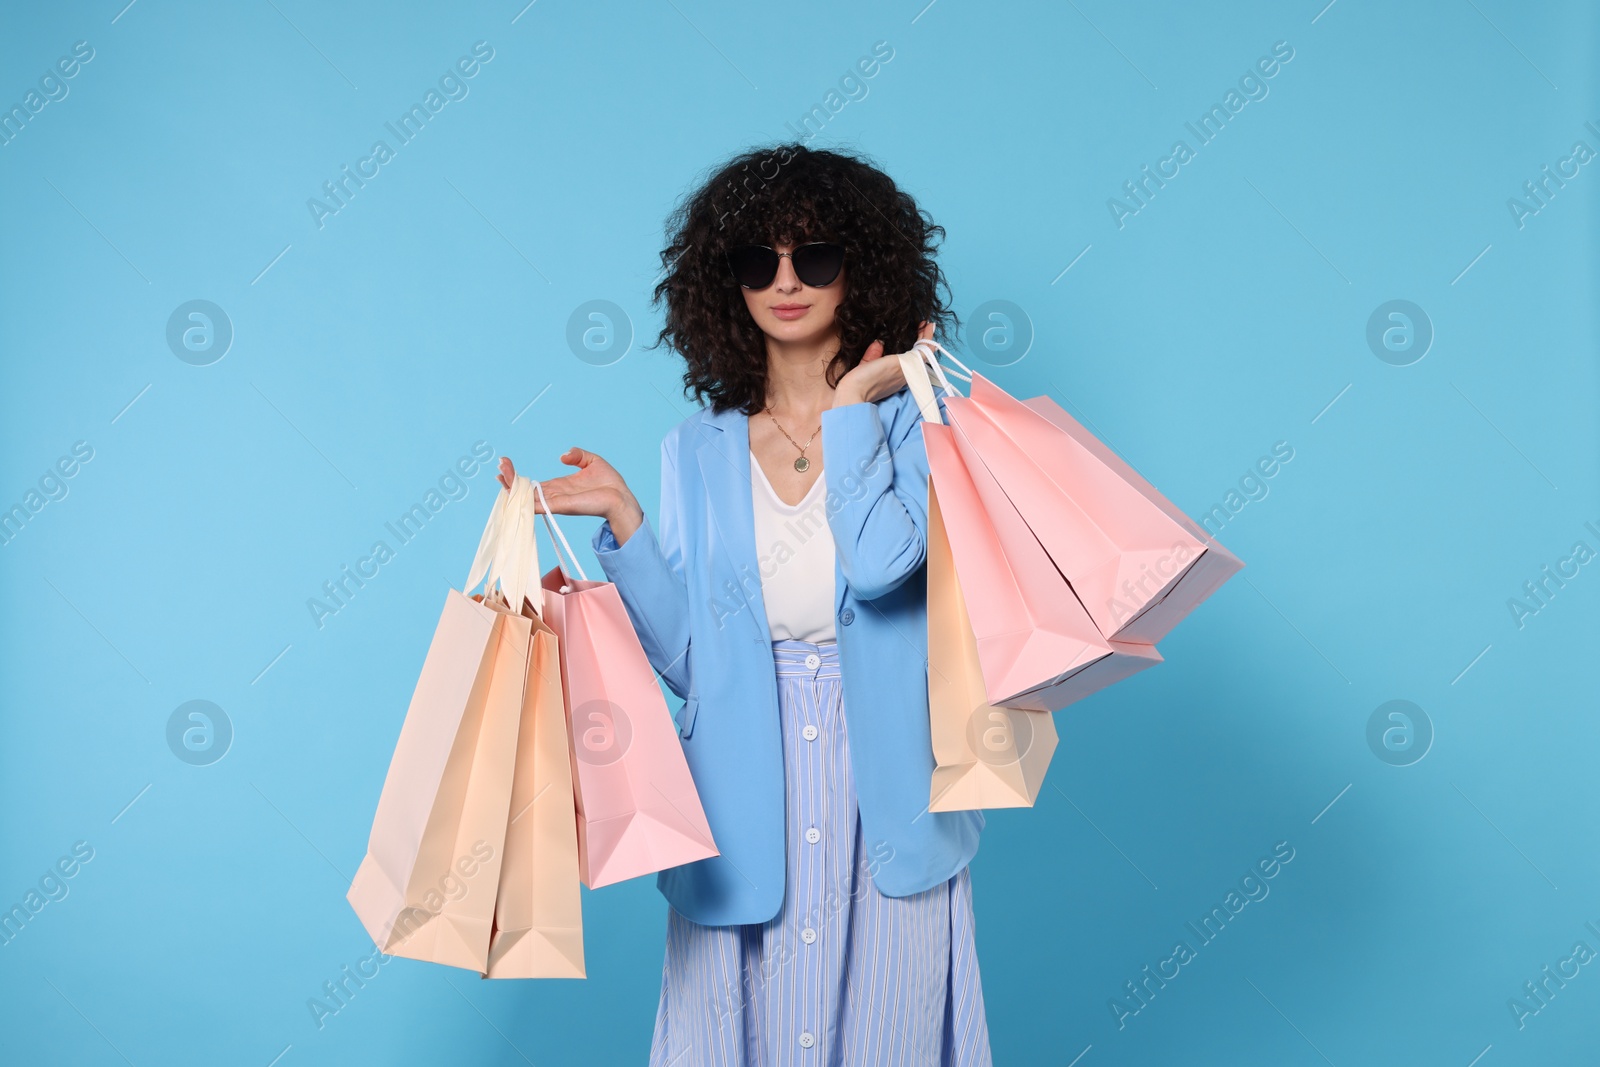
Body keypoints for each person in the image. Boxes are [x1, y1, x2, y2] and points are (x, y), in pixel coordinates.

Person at [499, 144, 990, 1065]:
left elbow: (884, 568)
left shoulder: (916, 424)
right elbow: (694, 662)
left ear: (864, 268)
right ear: (725, 284)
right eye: (758, 261)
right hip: (738, 786)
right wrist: (626, 524)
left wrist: (851, 412)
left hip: (886, 778)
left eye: (817, 257)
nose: (787, 281)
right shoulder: (696, 450)